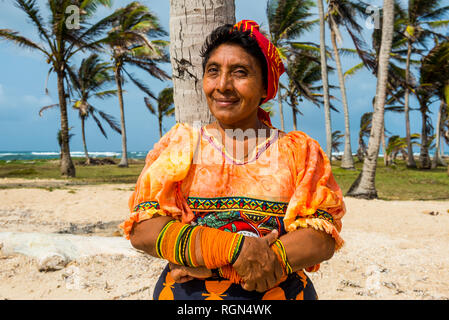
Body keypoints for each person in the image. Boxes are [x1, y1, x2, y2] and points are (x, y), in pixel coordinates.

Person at [120, 20, 345, 300]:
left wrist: (218, 261)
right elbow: (143, 230)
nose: (223, 85)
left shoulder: (299, 152)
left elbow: (321, 235)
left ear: (265, 87)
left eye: (240, 73)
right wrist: (236, 250)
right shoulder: (180, 146)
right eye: (213, 71)